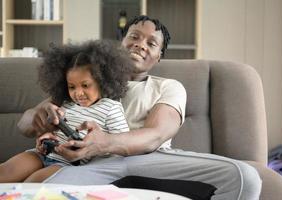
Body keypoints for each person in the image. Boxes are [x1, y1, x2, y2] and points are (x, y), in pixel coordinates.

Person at [17, 15, 262, 199]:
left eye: (151, 43)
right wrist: (39, 116)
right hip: (92, 164)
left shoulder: (168, 86)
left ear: (158, 56)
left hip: (150, 159)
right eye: (134, 36)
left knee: (245, 178)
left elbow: (155, 135)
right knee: (37, 188)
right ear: (120, 42)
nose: (140, 44)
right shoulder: (85, 82)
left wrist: (102, 142)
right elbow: (25, 124)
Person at [0, 40, 132, 182]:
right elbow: (51, 129)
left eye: (85, 85)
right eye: (72, 87)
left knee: (32, 184)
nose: (78, 93)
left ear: (102, 81)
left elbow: (120, 146)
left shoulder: (111, 108)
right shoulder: (66, 103)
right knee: (5, 171)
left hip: (67, 164)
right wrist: (45, 136)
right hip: (42, 153)